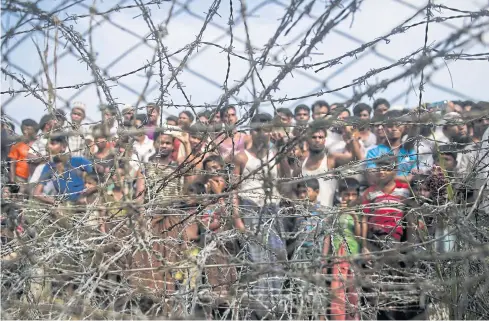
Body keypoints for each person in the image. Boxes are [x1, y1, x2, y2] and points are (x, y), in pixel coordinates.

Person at [293, 120, 363, 207]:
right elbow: (294, 188)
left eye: (320, 137)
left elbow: (356, 159)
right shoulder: (300, 163)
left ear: (325, 140)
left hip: (328, 215)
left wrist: (351, 136)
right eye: (314, 137)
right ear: (307, 140)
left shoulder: (331, 159)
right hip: (306, 217)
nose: (317, 140)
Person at [325, 178, 362, 321]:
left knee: (352, 292)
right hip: (338, 257)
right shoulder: (335, 212)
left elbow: (360, 236)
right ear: (340, 195)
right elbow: (328, 234)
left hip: (353, 255)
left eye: (353, 195)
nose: (350, 198)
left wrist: (354, 216)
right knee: (337, 291)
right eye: (346, 194)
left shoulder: (359, 213)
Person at [33, 134, 94, 205]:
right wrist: (57, 203)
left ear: (64, 147)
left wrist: (88, 193)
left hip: (87, 201)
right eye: (48, 144)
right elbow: (37, 193)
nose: (48, 147)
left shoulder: (78, 161)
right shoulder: (49, 166)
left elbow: (97, 179)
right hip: (68, 205)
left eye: (53, 144)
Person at [366, 110, 417, 183]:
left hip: (405, 192)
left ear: (404, 127)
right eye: (390, 126)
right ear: (384, 128)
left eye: (398, 125)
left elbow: (413, 178)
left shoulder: (410, 152)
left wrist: (386, 176)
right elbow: (373, 176)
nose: (394, 128)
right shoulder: (373, 152)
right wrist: (406, 179)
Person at [8, 119, 38, 195]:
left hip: (35, 177)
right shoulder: (18, 145)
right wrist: (12, 180)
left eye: (28, 129)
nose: (25, 132)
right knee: (20, 197)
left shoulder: (38, 144)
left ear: (34, 130)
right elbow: (12, 163)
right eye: (24, 129)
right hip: (20, 177)